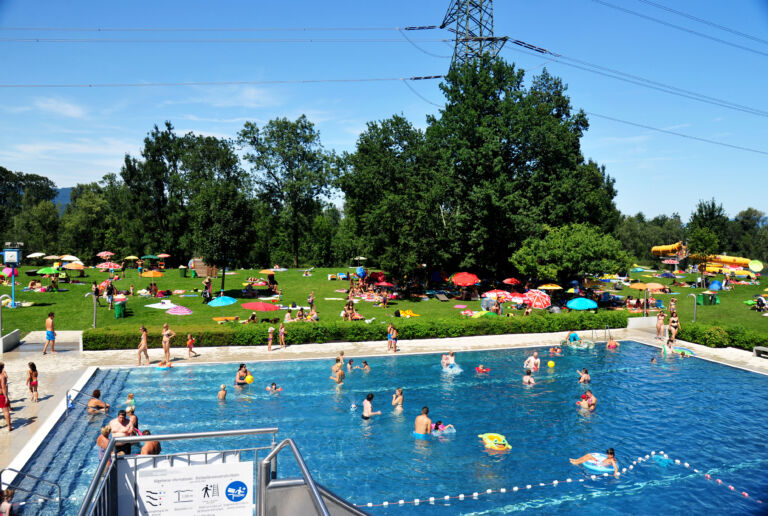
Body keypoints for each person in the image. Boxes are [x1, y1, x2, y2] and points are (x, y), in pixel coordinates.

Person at [0, 363, 10, 431]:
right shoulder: (2, 376)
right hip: (1, 395)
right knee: (6, 411)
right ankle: (9, 426)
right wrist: (6, 397)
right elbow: (3, 387)